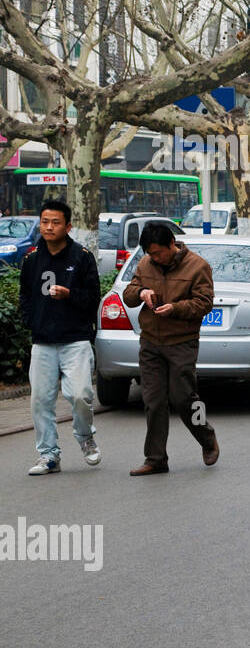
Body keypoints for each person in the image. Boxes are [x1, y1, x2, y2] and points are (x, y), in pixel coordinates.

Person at [121, 223, 218, 475]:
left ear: (172, 244)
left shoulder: (198, 266)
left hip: (181, 342)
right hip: (151, 341)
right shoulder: (144, 265)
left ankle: (207, 438)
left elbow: (204, 303)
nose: (155, 258)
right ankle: (155, 459)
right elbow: (129, 295)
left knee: (184, 398)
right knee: (153, 401)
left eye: (159, 253)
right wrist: (142, 292)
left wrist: (175, 308)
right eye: (150, 254)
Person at [18, 199, 102, 476]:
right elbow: (25, 297)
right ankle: (49, 456)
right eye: (44, 221)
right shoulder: (31, 259)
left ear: (67, 227)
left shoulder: (82, 257)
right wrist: (31, 321)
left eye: (55, 222)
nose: (49, 227)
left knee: (80, 395)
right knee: (40, 400)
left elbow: (93, 298)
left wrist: (70, 295)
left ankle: (85, 436)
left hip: (75, 339)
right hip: (42, 341)